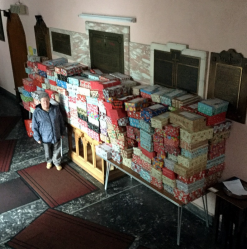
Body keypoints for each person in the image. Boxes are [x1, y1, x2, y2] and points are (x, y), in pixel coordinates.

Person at [32, 92, 65, 171]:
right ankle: (49, 161)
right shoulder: (37, 112)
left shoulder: (55, 109)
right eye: (43, 101)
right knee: (47, 150)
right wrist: (37, 138)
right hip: (45, 136)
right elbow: (34, 126)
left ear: (49, 100)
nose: (45, 103)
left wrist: (62, 132)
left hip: (56, 133)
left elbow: (61, 121)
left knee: (57, 149)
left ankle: (57, 162)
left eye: (47, 100)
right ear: (40, 102)